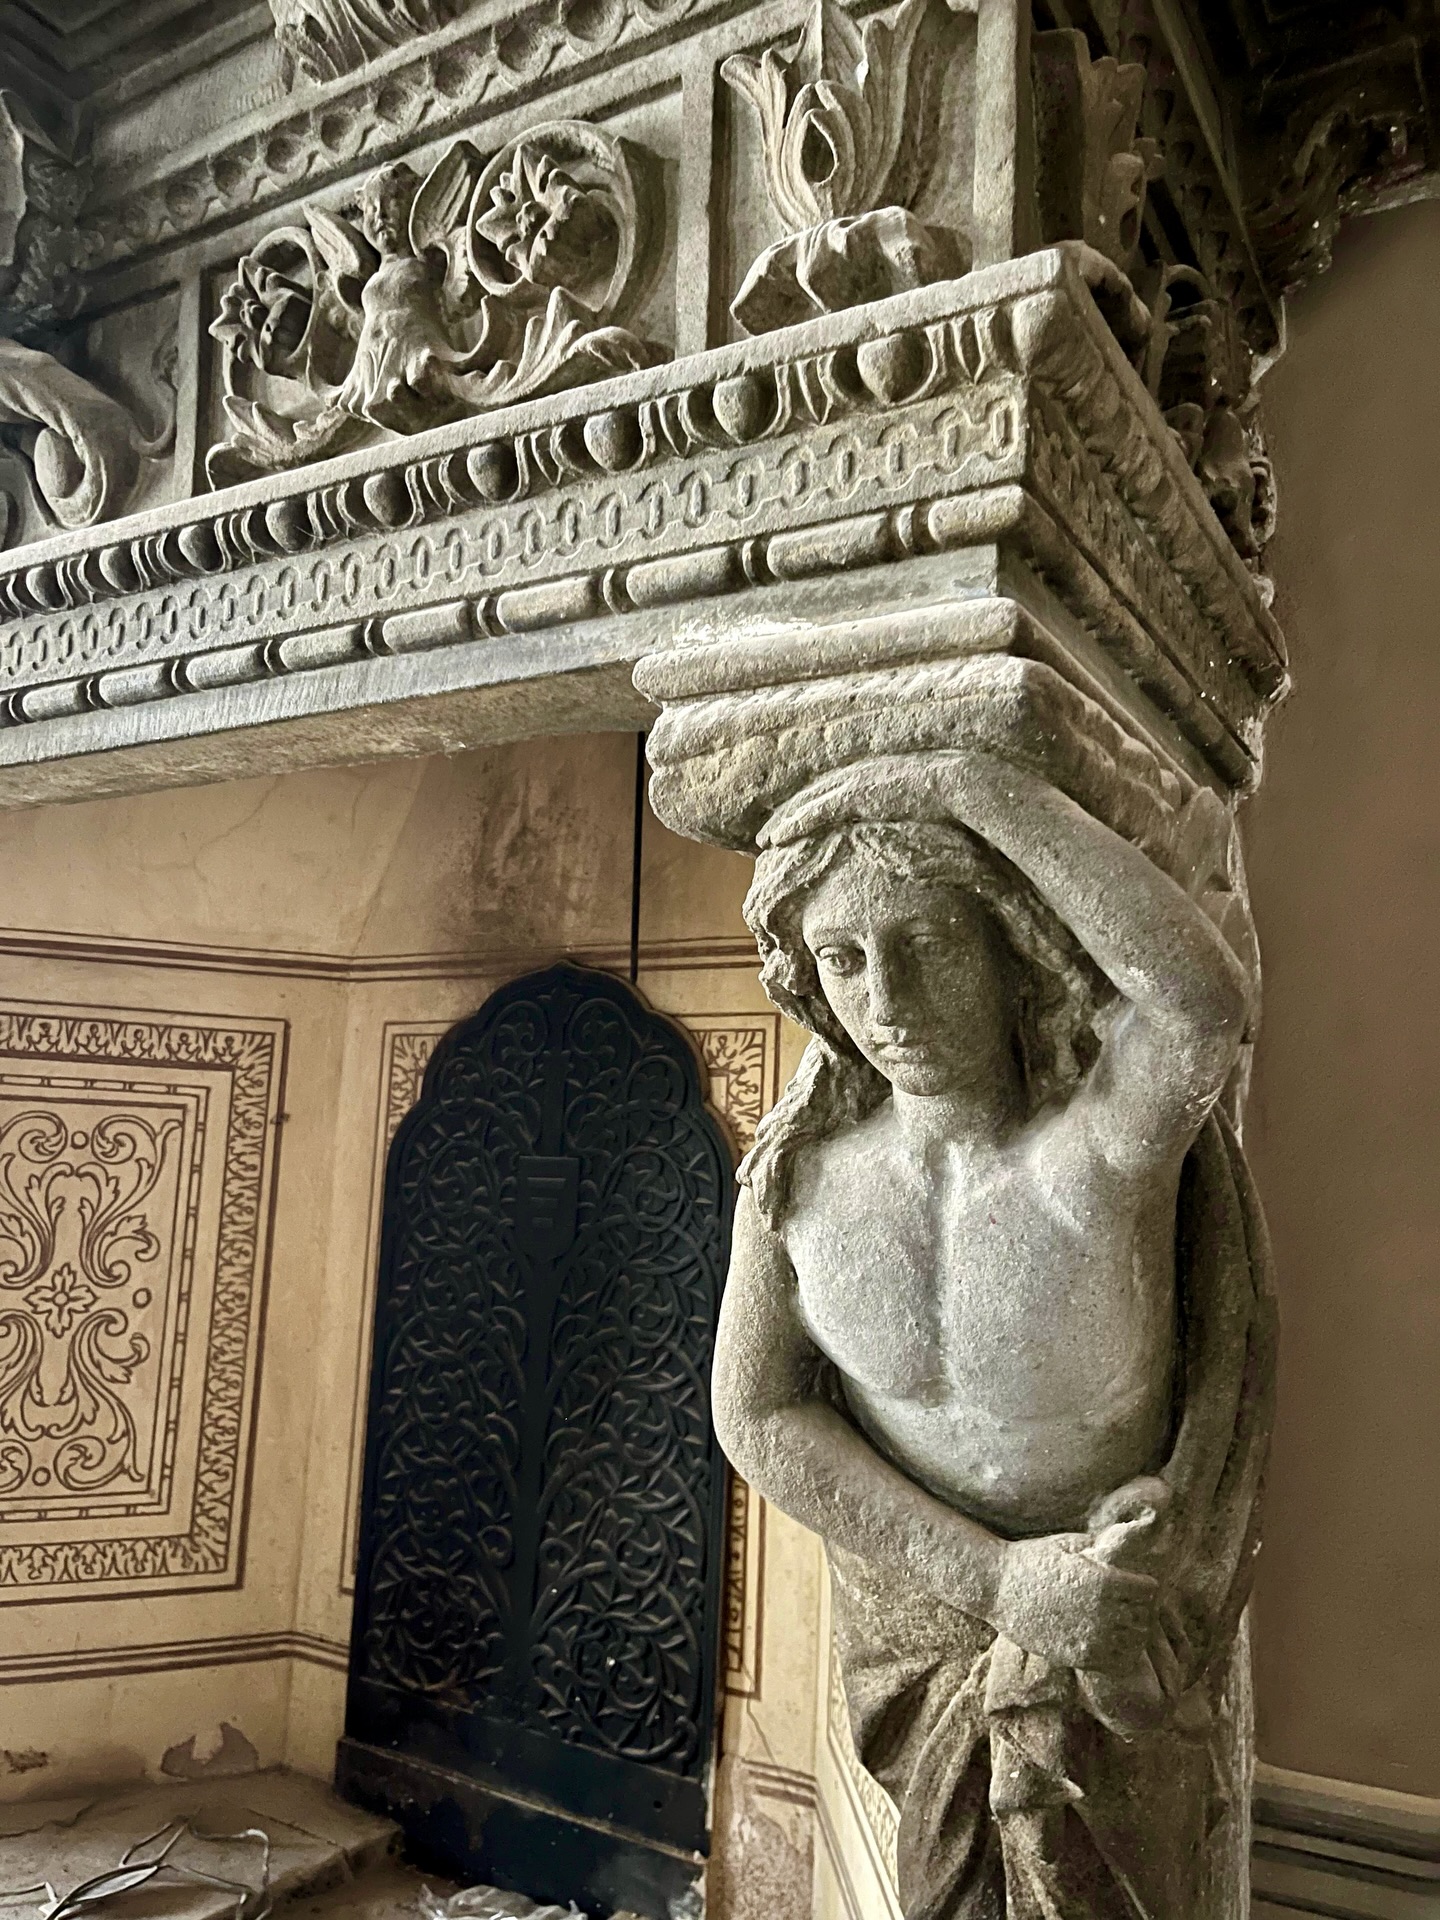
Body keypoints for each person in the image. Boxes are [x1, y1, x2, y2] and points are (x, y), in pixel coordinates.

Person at [712, 747, 1276, 1919]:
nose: (886, 1000)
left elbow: (1202, 1009)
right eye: (843, 959)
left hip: (1117, 1625)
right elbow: (754, 1412)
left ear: (1007, 946)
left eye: (926, 943)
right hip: (926, 1627)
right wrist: (999, 1580)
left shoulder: (1096, 1150)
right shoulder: (800, 1182)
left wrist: (979, 787)